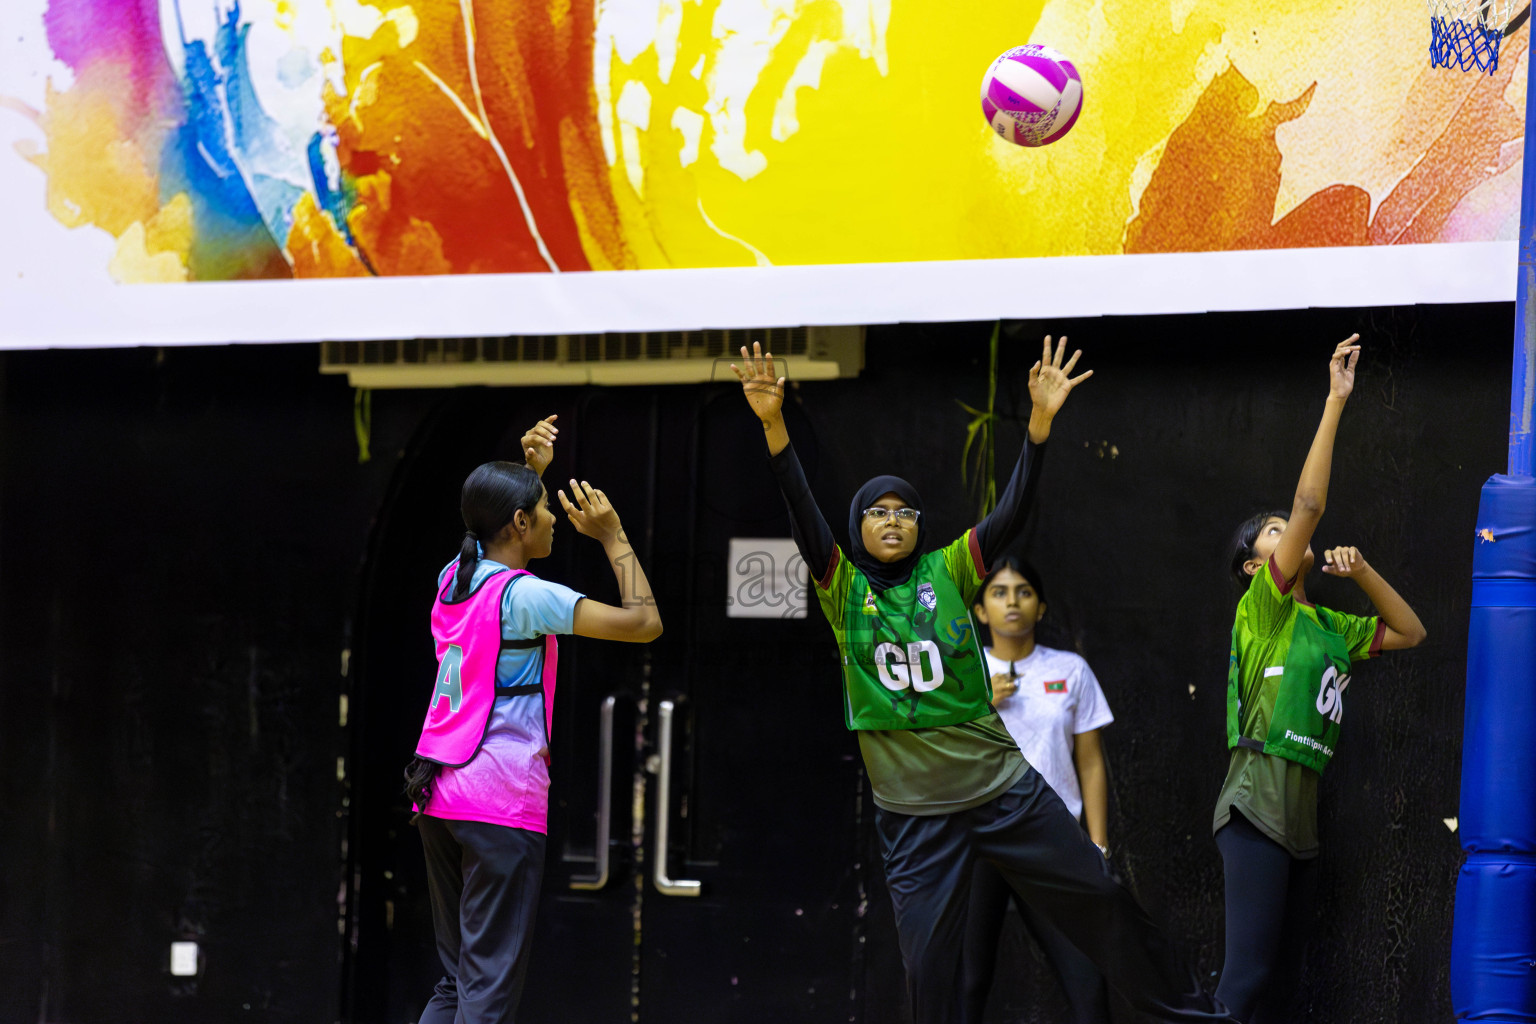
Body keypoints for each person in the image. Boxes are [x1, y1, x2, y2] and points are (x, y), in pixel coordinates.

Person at [733, 339, 1233, 1024]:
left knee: (1103, 899)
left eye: (904, 511)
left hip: (1004, 792)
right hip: (912, 815)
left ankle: (1198, 1019)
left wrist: (1038, 428)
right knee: (928, 972)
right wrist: (773, 426)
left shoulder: (952, 568)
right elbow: (801, 507)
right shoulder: (839, 584)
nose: (891, 520)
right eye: (876, 511)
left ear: (919, 526)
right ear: (857, 527)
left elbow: (1012, 514)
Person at [402, 415, 664, 1024]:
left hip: (438, 792)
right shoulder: (528, 595)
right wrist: (612, 535)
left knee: (455, 984)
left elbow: (495, 527)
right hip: (497, 800)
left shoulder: (453, 579)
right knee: (487, 996)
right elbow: (644, 622)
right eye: (543, 509)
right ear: (520, 522)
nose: (552, 518)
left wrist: (530, 474)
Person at [1214, 336, 1426, 1023]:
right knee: (1244, 979)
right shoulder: (1263, 608)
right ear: (1254, 567)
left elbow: (1412, 632)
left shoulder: (1331, 628)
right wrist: (1335, 401)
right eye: (1274, 533)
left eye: (1289, 528)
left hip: (1302, 812)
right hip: (1255, 802)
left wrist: (1361, 572)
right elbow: (1310, 500)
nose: (1291, 531)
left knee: (1282, 985)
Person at [961, 557, 1113, 1024]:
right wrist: (980, 703)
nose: (1012, 602)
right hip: (977, 840)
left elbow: (1089, 761)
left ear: (1041, 607)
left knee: (1086, 977)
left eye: (1024, 591)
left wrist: (1098, 842)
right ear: (981, 611)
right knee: (967, 981)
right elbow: (935, 753)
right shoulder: (959, 673)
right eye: (999, 592)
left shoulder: (1071, 669)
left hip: (1052, 839)